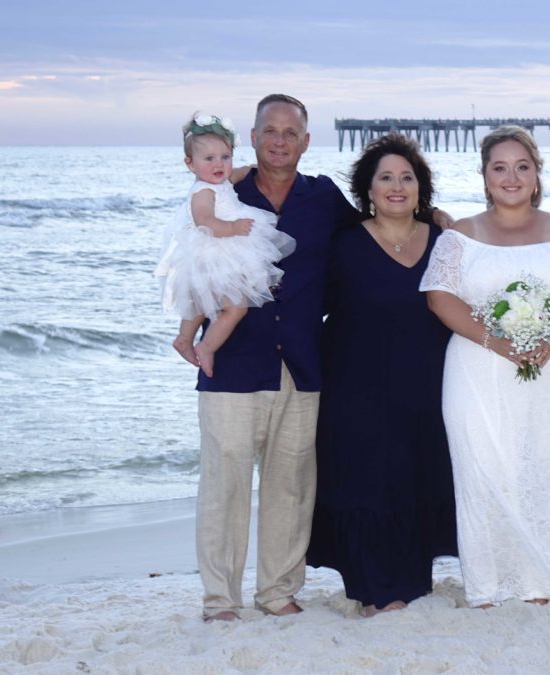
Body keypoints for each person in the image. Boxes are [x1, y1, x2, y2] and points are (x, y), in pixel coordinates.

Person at [420, 126, 550, 607]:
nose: (511, 176)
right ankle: (489, 584)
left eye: (522, 166)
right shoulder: (460, 236)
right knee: (486, 468)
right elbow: (440, 299)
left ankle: (546, 580)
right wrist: (497, 341)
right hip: (478, 369)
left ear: (537, 175)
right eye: (499, 167)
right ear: (485, 177)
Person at [191, 94, 362, 622]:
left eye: (291, 132)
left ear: (306, 142)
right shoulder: (225, 193)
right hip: (234, 363)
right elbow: (191, 257)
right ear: (254, 136)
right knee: (226, 485)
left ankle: (278, 592)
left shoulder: (324, 196)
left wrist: (436, 221)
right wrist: (191, 333)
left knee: (291, 484)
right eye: (270, 130)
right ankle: (221, 599)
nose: (280, 140)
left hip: (304, 363)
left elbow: (374, 239)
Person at [306, 133, 457, 617]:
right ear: (368, 190)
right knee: (365, 484)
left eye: (407, 178)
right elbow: (311, 304)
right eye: (386, 178)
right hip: (356, 387)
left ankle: (411, 584)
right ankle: (372, 590)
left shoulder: (444, 241)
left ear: (421, 188)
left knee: (416, 478)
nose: (397, 186)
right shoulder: (344, 243)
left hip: (427, 387)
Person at [155, 112, 295, 378]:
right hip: (213, 250)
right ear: (190, 164)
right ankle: (205, 347)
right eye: (209, 159)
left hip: (225, 251)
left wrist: (252, 170)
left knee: (203, 300)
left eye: (225, 157)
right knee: (235, 307)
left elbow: (236, 175)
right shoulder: (202, 191)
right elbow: (204, 220)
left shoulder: (220, 182)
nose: (219, 164)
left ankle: (184, 339)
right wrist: (232, 228)